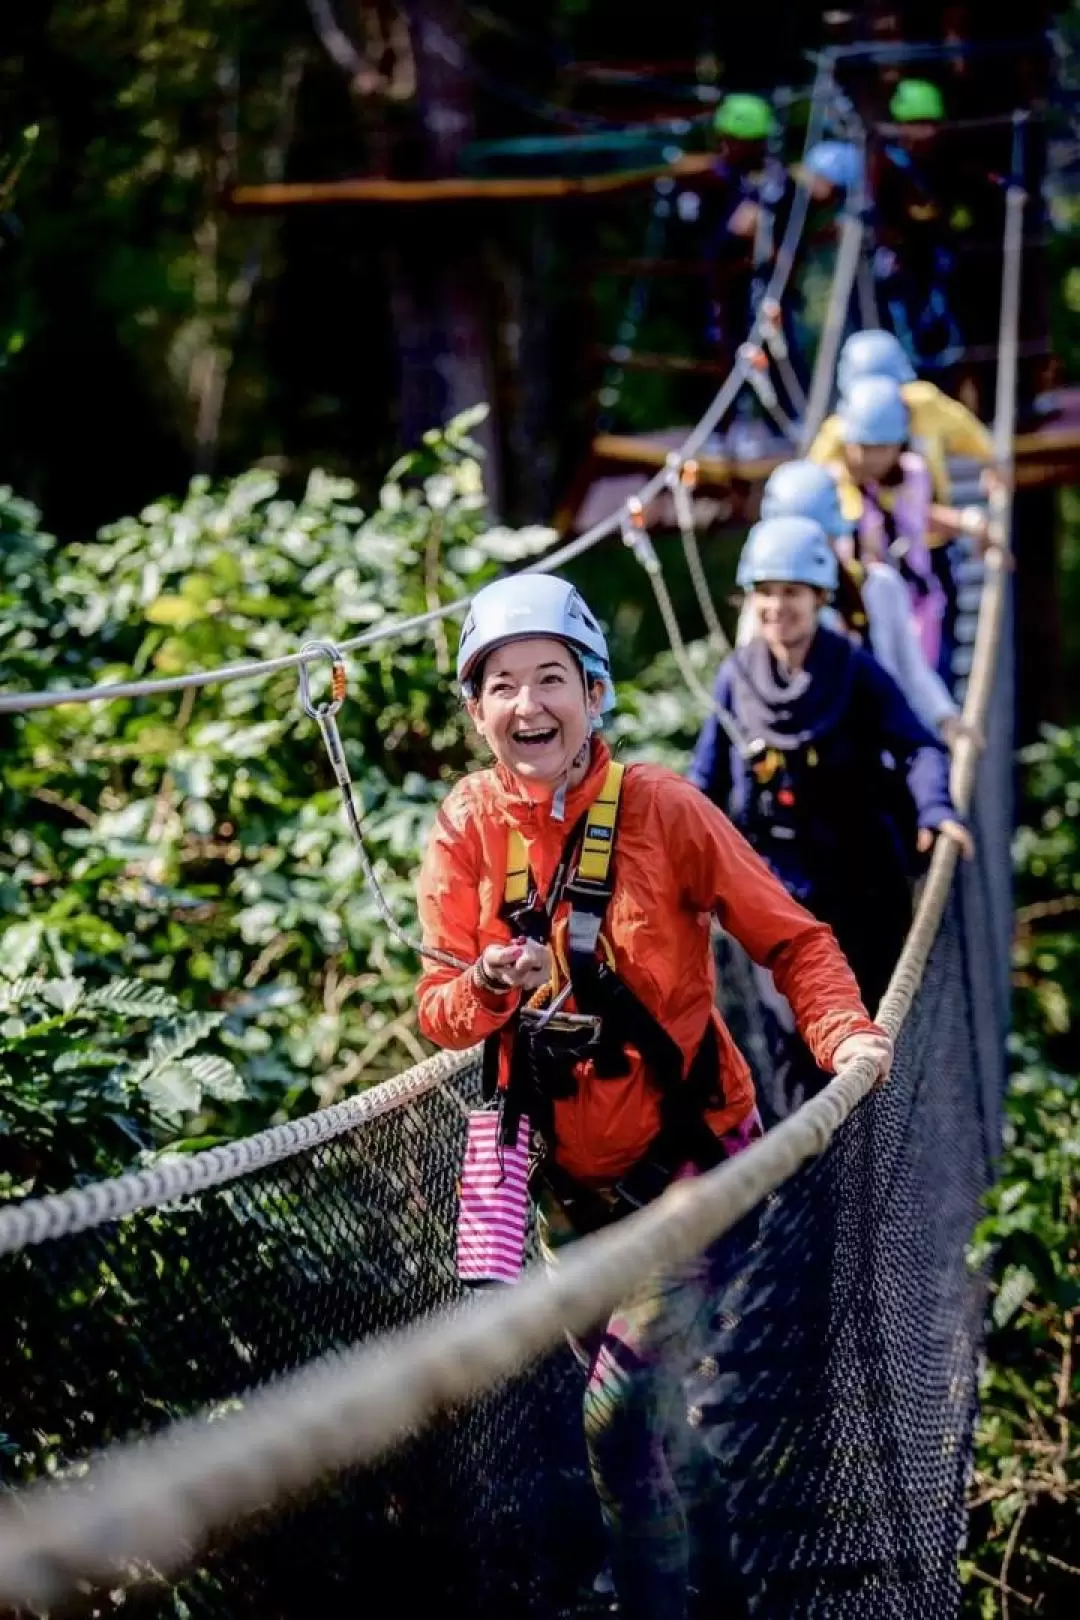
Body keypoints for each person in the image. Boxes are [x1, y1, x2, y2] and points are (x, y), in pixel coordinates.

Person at [416, 573, 892, 1620]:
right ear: (474, 707)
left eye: (553, 680)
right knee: (649, 1422)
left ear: (595, 696)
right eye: (502, 685)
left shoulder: (663, 811)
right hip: (569, 1198)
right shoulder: (464, 830)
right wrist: (480, 988)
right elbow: (437, 1014)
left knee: (619, 1421)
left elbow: (794, 939)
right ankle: (728, 1597)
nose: (528, 706)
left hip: (696, 1175)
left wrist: (844, 1035)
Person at [688, 517, 973, 1109]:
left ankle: (868, 1171)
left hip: (862, 887)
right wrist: (676, 861)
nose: (776, 606)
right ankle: (812, 1180)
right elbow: (705, 782)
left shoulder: (853, 669)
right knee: (792, 1040)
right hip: (776, 895)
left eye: (791, 592)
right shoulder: (737, 678)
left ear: (819, 597)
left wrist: (935, 809)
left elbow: (917, 743)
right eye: (765, 592)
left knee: (867, 1033)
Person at [738, 458, 968, 744]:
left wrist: (946, 718)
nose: (779, 602)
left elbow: (912, 668)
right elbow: (748, 686)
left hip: (878, 740)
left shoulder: (877, 587)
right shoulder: (766, 611)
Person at [827, 374, 995, 677]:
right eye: (864, 446)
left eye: (881, 446)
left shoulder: (913, 474)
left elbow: (915, 516)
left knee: (928, 677)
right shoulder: (837, 484)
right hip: (864, 609)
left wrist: (972, 519)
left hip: (918, 601)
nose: (872, 457)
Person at [807, 328, 997, 518]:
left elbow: (975, 437)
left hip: (934, 535)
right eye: (867, 447)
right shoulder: (838, 431)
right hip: (875, 536)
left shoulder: (926, 403)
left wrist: (993, 464)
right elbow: (811, 486)